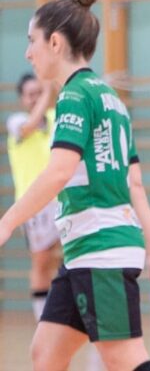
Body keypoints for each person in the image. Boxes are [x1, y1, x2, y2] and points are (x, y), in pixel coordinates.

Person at [0, 0, 150, 371]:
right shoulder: (112, 100)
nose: (28, 53)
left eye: (32, 41)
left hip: (101, 249)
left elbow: (59, 171)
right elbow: (135, 185)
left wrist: (8, 221)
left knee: (124, 359)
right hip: (85, 251)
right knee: (46, 353)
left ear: (54, 42)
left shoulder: (74, 96)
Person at [6, 73, 61, 319]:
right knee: (41, 261)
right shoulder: (17, 121)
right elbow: (30, 126)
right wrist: (48, 91)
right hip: (33, 204)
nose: (36, 98)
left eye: (39, 92)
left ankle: (70, 316)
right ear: (22, 99)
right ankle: (42, 319)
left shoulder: (55, 118)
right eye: (31, 94)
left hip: (60, 200)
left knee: (73, 257)